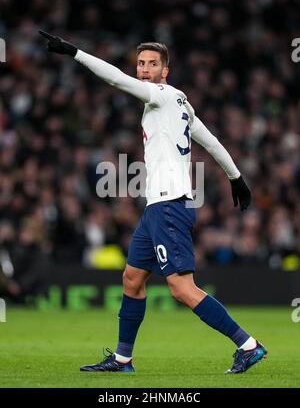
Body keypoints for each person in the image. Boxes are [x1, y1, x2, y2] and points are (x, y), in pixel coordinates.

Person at [39, 31, 267, 374]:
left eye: (152, 64)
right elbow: (212, 141)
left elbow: (115, 79)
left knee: (180, 288)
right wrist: (236, 177)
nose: (144, 70)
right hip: (155, 209)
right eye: (141, 63)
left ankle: (248, 345)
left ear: (165, 71)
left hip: (170, 206)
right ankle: (122, 359)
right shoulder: (182, 104)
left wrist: (75, 53)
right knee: (132, 278)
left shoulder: (159, 95)